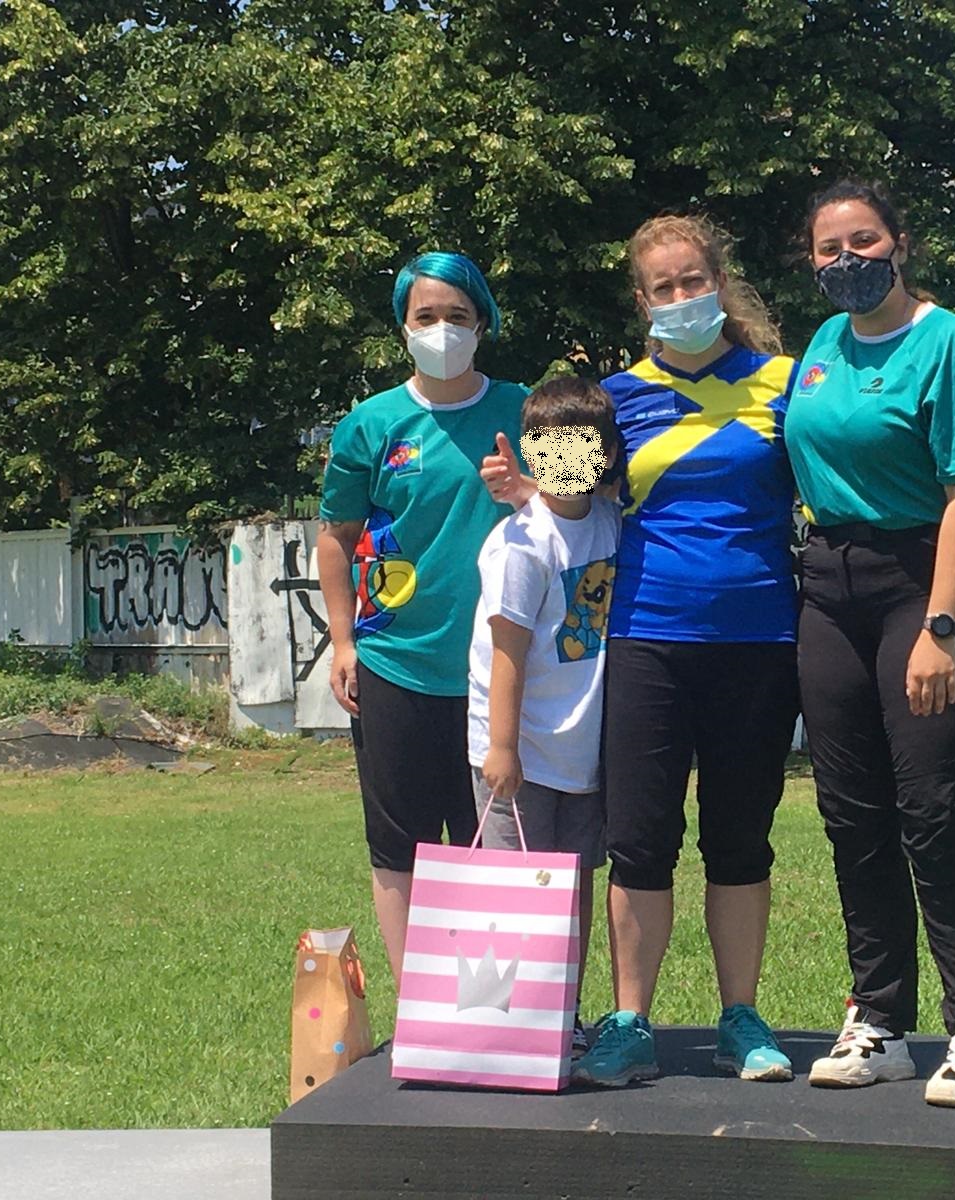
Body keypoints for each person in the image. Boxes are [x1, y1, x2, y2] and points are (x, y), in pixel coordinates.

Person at [483, 215, 800, 1087]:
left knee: (741, 842)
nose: (682, 297)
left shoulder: (785, 384)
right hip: (645, 643)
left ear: (720, 283)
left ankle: (742, 1019)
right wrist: (526, 490)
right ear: (642, 301)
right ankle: (629, 1022)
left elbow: (842, 473)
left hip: (760, 642)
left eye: (694, 281)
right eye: (664, 288)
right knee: (639, 843)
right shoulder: (617, 399)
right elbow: (572, 497)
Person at [783, 180, 955, 1108]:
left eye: (864, 241)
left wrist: (941, 629)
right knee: (852, 815)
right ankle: (878, 1019)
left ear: (901, 244)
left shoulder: (951, 342)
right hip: (829, 585)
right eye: (828, 248)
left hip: (927, 584)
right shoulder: (822, 347)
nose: (847, 261)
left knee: (935, 815)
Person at [317, 251, 526, 986]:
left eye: (458, 316)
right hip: (395, 663)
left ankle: (500, 1009)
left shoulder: (527, 408)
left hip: (504, 672)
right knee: (400, 847)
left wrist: (525, 488)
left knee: (495, 846)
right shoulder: (368, 424)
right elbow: (336, 538)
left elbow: (587, 505)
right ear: (403, 327)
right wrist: (342, 642)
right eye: (426, 316)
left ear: (483, 324)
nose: (443, 330)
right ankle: (421, 1010)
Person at [466, 377, 621, 1057]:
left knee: (571, 892)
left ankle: (562, 1017)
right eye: (550, 448)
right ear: (533, 452)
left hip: (582, 752)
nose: (567, 461)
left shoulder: (611, 522)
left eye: (581, 446)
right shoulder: (520, 545)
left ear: (604, 454)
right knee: (512, 896)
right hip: (520, 751)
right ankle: (500, 1028)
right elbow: (506, 653)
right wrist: (502, 749)